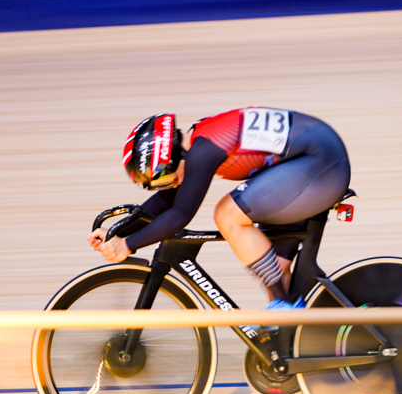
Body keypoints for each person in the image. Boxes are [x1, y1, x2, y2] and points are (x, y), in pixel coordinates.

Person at [92, 108, 351, 308]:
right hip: (304, 163)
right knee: (276, 269)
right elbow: (168, 200)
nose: (168, 185)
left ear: (168, 158)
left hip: (320, 162)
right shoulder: (198, 142)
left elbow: (180, 214)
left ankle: (286, 308)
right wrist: (118, 233)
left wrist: (128, 245)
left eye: (162, 179)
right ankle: (293, 331)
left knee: (227, 213)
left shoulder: (204, 150)